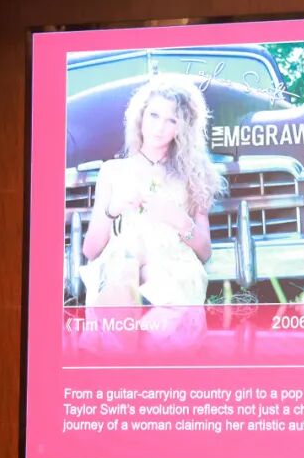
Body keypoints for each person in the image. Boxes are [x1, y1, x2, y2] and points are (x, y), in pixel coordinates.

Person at [80, 73, 221, 306]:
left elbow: (205, 252)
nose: (159, 127)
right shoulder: (113, 171)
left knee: (153, 283)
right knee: (125, 270)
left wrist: (179, 219)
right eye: (154, 115)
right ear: (141, 116)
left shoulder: (194, 174)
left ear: (182, 128)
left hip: (174, 271)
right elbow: (90, 251)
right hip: (123, 267)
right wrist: (113, 209)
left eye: (171, 120)